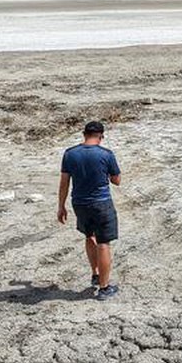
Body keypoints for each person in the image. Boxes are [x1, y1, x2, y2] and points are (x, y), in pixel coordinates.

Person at [57, 120, 121, 300]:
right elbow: (117, 180)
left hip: (79, 203)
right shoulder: (106, 154)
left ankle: (95, 273)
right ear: (101, 136)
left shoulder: (70, 154)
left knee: (89, 236)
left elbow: (64, 183)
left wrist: (61, 206)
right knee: (104, 243)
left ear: (84, 134)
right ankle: (104, 287)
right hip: (101, 203)